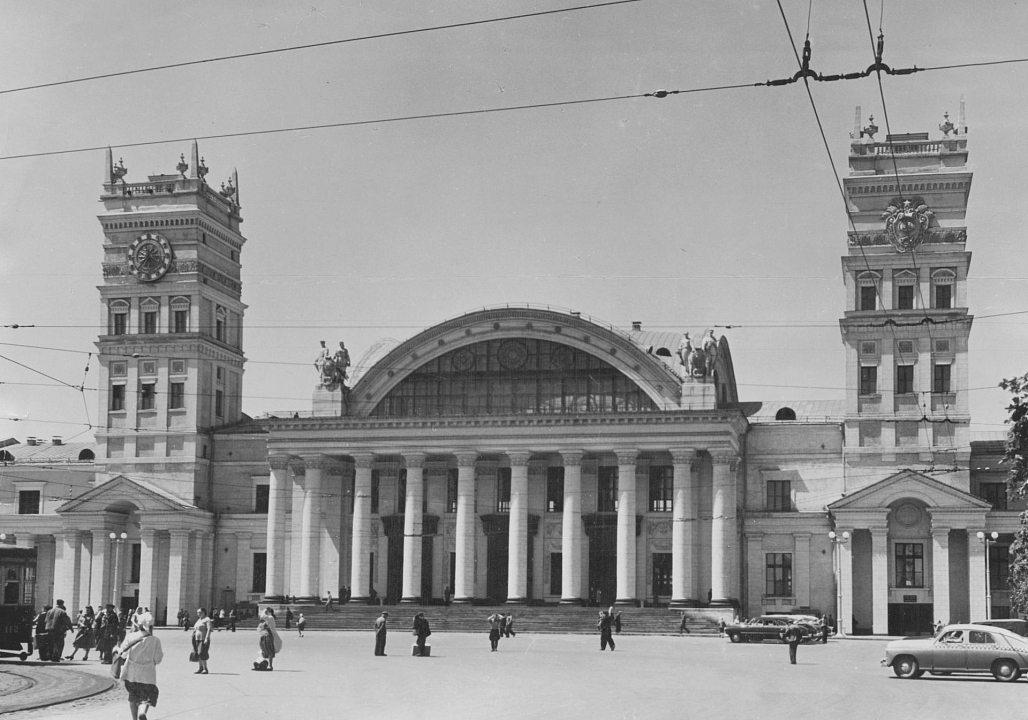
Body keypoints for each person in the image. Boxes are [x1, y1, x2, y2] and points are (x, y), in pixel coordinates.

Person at [116, 612, 162, 720]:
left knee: (133, 696)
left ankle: (134, 718)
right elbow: (158, 659)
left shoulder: (131, 637)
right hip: (147, 674)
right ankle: (142, 712)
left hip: (131, 674)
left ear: (138, 625)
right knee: (147, 696)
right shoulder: (155, 640)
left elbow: (123, 654)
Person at [192, 607, 213, 675]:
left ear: (204, 612)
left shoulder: (207, 619)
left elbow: (209, 629)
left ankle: (205, 668)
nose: (198, 614)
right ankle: (200, 668)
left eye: (200, 612)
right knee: (198, 653)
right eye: (197, 612)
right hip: (196, 639)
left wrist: (207, 638)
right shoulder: (199, 620)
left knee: (202, 653)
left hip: (203, 639)